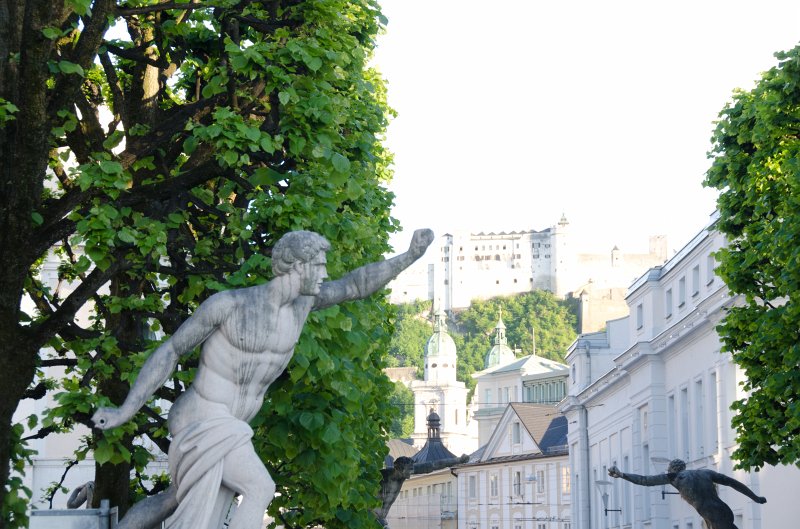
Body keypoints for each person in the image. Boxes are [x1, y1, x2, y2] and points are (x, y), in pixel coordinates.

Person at [92, 229, 434, 529]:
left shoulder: (302, 306)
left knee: (173, 499)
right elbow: (171, 351)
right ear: (297, 266)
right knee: (259, 487)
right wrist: (125, 411)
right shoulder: (229, 305)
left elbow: (355, 285)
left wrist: (410, 255)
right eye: (318, 265)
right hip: (202, 416)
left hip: (233, 424)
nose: (325, 273)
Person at [608, 459, 766, 529]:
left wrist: (622, 475)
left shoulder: (674, 477)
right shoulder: (706, 472)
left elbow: (645, 480)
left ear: (671, 470)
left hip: (712, 515)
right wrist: (755, 497)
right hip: (723, 510)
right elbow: (733, 482)